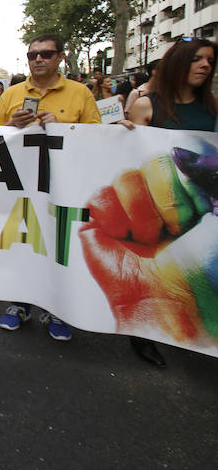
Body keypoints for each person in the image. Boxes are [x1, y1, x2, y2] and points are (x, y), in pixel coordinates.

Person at [101, 37, 216, 368]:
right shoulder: (147, 106)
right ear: (178, 63)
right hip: (158, 202)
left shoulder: (213, 109)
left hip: (205, 206)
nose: (205, 65)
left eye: (209, 60)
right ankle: (145, 334)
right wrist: (121, 133)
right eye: (196, 59)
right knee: (155, 268)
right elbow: (129, 157)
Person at [0, 33, 101, 342]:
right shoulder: (12, 94)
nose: (38, 59)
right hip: (21, 186)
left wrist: (63, 127)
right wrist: (12, 126)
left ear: (60, 58)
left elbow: (98, 138)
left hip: (63, 187)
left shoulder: (80, 93)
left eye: (46, 53)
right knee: (21, 243)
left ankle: (58, 308)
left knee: (58, 247)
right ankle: (20, 303)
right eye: (32, 55)